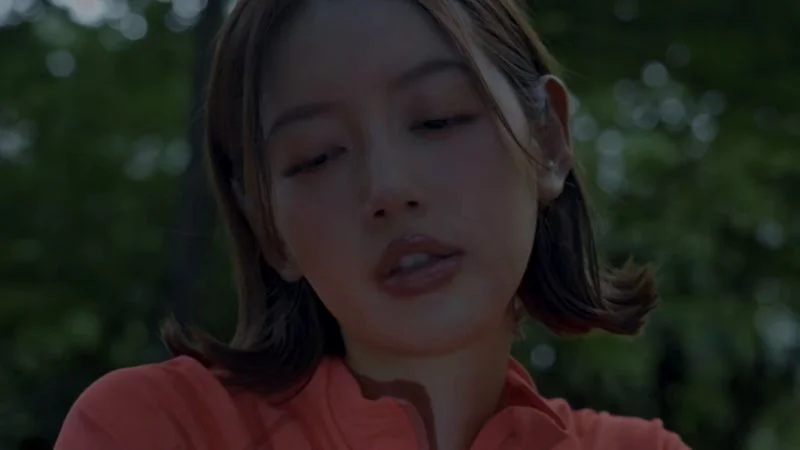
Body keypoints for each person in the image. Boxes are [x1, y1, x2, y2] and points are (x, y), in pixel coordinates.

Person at [55, 0, 689, 449]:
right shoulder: (157, 429)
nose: (388, 189)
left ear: (548, 140)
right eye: (317, 157)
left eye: (438, 119)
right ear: (268, 227)